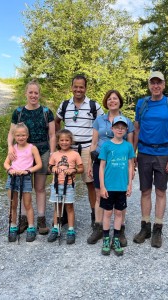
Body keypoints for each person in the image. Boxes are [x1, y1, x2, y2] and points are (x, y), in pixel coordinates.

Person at [133, 71, 168, 248]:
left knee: (160, 191)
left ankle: (158, 228)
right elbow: (136, 129)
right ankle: (145, 227)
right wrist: (133, 154)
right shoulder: (142, 103)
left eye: (158, 82)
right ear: (149, 85)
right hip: (144, 152)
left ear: (164, 84)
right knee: (145, 191)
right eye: (152, 83)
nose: (156, 86)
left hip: (163, 153)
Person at [7, 80, 56, 235]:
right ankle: (23, 220)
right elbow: (11, 132)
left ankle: (41, 219)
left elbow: (53, 134)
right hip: (22, 153)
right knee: (21, 187)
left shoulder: (46, 112)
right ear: (26, 93)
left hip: (42, 151)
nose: (33, 95)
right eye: (31, 92)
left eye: (36, 93)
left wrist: (53, 153)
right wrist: (10, 147)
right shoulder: (19, 112)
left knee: (40, 188)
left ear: (39, 94)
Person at [55, 75, 104, 228]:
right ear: (71, 87)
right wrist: (60, 139)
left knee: (91, 183)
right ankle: (63, 215)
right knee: (63, 182)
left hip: (87, 149)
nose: (78, 89)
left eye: (81, 87)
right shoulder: (64, 105)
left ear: (85, 88)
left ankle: (95, 215)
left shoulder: (93, 106)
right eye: (75, 86)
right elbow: (57, 121)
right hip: (68, 150)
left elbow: (103, 123)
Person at [87, 90, 134, 246]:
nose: (112, 101)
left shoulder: (127, 121)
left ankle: (120, 230)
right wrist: (89, 163)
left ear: (120, 101)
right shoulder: (99, 120)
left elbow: (131, 146)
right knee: (99, 194)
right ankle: (99, 227)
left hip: (119, 165)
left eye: (115, 99)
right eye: (109, 99)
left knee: (121, 195)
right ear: (106, 102)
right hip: (100, 162)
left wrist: (132, 167)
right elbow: (93, 143)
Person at [99, 116, 135, 256]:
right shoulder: (107, 145)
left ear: (126, 130)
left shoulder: (128, 146)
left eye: (122, 127)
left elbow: (130, 166)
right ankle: (106, 239)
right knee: (107, 213)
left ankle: (116, 239)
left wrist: (129, 184)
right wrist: (102, 186)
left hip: (121, 186)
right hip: (108, 186)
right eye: (117, 127)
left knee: (119, 213)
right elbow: (102, 166)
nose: (120, 130)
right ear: (112, 128)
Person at [4, 123, 43, 242]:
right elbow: (6, 163)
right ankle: (13, 226)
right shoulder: (13, 148)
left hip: (25, 177)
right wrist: (10, 169)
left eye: (23, 135)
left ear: (27, 135)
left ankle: (31, 227)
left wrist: (28, 171)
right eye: (18, 135)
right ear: (14, 136)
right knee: (13, 204)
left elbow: (39, 164)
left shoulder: (32, 148)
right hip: (13, 177)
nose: (21, 137)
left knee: (27, 204)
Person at [47, 129, 84, 244]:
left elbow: (81, 168)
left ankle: (71, 230)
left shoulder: (75, 154)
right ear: (58, 142)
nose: (64, 142)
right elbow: (50, 167)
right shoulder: (55, 155)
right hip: (56, 185)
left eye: (67, 140)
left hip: (69, 185)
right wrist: (53, 168)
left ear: (71, 141)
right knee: (57, 206)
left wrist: (73, 170)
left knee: (69, 207)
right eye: (62, 140)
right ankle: (56, 227)